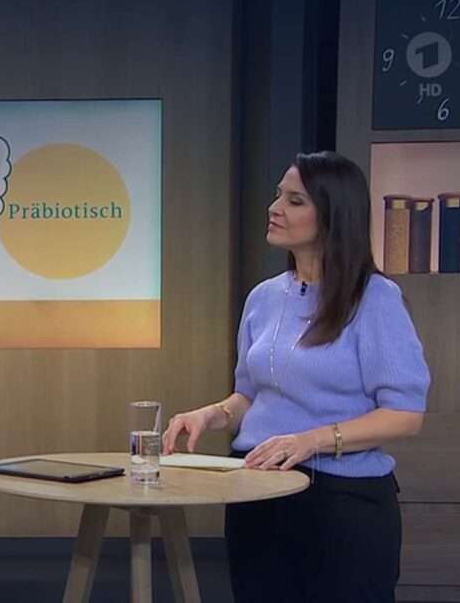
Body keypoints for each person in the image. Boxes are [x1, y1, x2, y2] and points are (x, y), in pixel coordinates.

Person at [162, 151, 429, 603]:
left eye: (295, 200)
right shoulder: (263, 298)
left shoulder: (375, 298)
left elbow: (405, 415)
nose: (274, 208)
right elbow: (250, 396)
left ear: (333, 215)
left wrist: (311, 441)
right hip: (257, 493)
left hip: (341, 502)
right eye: (277, 195)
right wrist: (211, 414)